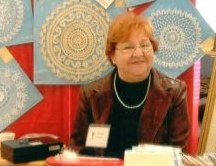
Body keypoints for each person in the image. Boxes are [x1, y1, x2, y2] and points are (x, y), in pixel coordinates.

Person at [70, 12, 191, 158]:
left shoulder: (174, 92)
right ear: (113, 56)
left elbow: (177, 152)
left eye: (145, 45)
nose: (138, 53)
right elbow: (79, 148)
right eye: (128, 47)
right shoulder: (91, 93)